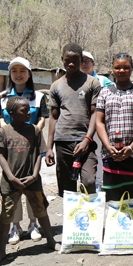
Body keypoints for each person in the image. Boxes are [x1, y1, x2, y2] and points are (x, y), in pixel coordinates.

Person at [0, 97, 60, 266]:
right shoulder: (3, 131)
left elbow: (38, 153)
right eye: (24, 110)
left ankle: (50, 241)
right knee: (6, 215)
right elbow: (0, 156)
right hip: (10, 181)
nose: (29, 112)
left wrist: (35, 175)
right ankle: (1, 250)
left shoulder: (35, 130)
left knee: (40, 209)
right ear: (11, 113)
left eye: (29, 109)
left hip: (32, 180)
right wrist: (12, 178)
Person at [0, 57, 49, 244]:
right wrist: (9, 134)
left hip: (32, 146)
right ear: (10, 74)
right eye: (14, 71)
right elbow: (1, 120)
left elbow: (43, 119)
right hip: (12, 147)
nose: (18, 74)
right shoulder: (3, 97)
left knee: (32, 183)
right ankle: (15, 226)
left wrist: (33, 131)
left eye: (22, 71)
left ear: (29, 74)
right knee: (13, 185)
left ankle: (33, 223)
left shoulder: (39, 96)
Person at [46, 44, 101, 197]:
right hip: (62, 141)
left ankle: (89, 218)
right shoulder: (56, 86)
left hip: (85, 141)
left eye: (75, 60)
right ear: (62, 60)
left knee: (89, 182)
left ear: (81, 60)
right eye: (67, 60)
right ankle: (71, 220)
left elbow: (95, 113)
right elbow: (54, 117)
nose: (71, 64)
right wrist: (49, 147)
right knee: (66, 190)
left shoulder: (92, 83)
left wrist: (87, 140)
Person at [94, 52, 133, 201]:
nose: (122, 71)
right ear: (112, 69)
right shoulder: (104, 93)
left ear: (132, 68)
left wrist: (131, 147)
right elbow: (99, 122)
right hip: (110, 153)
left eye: (126, 67)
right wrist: (108, 146)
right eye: (117, 67)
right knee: (113, 198)